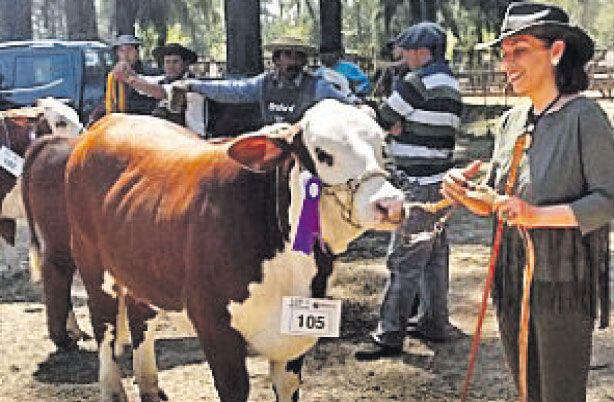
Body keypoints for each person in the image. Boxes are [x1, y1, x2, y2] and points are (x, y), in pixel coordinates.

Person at [442, 3, 614, 401]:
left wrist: (537, 215)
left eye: (520, 50)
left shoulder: (585, 116)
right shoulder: (510, 122)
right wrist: (467, 193)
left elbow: (611, 200)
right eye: (504, 54)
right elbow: (498, 202)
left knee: (559, 395)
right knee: (527, 392)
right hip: (512, 281)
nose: (507, 63)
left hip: (562, 283)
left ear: (556, 51)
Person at [355, 21, 463, 360]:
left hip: (416, 185)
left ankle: (389, 334)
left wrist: (393, 126)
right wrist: (402, 125)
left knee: (404, 259)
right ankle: (433, 321)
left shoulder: (416, 83)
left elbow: (383, 119)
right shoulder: (450, 83)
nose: (401, 56)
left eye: (407, 50)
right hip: (441, 182)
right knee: (433, 257)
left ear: (424, 52)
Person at [168, 37, 353, 125]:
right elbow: (233, 90)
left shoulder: (318, 87)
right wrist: (193, 85)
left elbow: (348, 105)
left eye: (298, 57)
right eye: (288, 55)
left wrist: (362, 108)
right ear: (276, 60)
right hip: (271, 146)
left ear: (304, 61)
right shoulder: (263, 84)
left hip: (304, 152)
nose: (293, 62)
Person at [113, 42, 199, 125]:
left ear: (184, 64)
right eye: (167, 62)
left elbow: (161, 92)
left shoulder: (191, 83)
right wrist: (125, 69)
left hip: (191, 134)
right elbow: (144, 80)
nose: (171, 66)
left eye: (175, 62)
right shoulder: (163, 79)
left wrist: (130, 80)